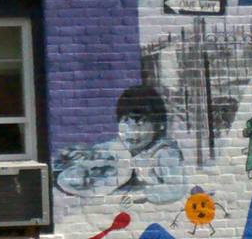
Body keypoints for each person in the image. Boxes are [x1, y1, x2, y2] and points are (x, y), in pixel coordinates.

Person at [53, 85, 188, 203]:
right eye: (126, 122)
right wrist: (87, 153)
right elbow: (102, 150)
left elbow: (176, 189)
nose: (132, 131)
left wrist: (142, 194)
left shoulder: (163, 153)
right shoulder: (122, 147)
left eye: (141, 124)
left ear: (160, 125)